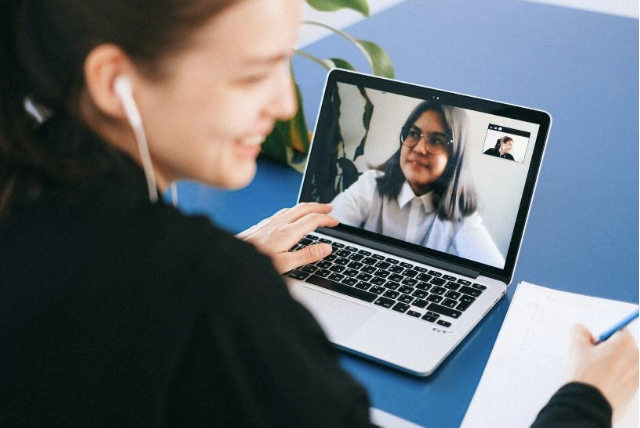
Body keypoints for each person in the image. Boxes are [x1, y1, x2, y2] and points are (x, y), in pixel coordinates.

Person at [0, 0, 636, 427]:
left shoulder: (27, 195)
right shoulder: (217, 298)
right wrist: (587, 400)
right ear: (116, 81)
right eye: (252, 74)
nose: (284, 104)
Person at [331, 101, 505, 267]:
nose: (419, 149)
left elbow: (491, 273)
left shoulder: (460, 213)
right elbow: (324, 230)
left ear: (454, 155)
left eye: (436, 140)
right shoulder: (371, 186)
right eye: (413, 134)